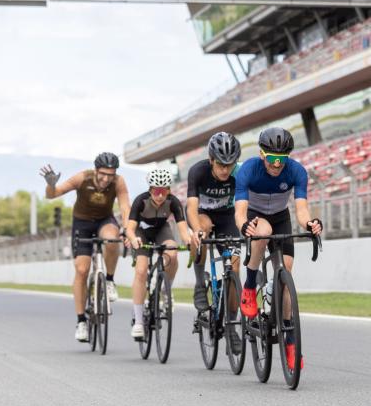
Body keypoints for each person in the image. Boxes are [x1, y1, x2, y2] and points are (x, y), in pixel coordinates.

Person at [234, 127, 323, 372]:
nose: (277, 164)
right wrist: (244, 226)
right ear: (262, 155)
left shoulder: (296, 171)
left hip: (281, 216)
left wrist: (310, 223)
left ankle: (290, 341)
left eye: (282, 159)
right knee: (262, 232)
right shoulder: (248, 170)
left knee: (286, 274)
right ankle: (250, 285)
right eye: (272, 158)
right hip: (256, 215)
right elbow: (240, 210)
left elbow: (302, 210)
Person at [40, 152, 131, 343]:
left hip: (105, 221)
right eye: (103, 174)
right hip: (82, 223)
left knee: (113, 240)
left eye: (111, 174)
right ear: (96, 170)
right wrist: (51, 184)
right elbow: (52, 195)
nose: (107, 178)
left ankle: (109, 280)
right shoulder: (82, 178)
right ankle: (81, 321)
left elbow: (125, 207)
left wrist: (126, 228)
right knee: (82, 270)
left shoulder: (118, 182)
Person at [184, 131, 243, 354]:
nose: (225, 170)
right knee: (203, 230)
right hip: (202, 214)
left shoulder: (240, 173)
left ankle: (231, 326)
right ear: (211, 160)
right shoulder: (197, 171)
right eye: (220, 164)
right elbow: (190, 207)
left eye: (230, 164)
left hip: (227, 217)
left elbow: (246, 203)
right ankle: (200, 284)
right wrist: (197, 230)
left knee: (235, 267)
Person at [123, 168, 193, 339]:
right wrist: (132, 239)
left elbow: (183, 230)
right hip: (141, 233)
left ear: (169, 190)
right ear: (150, 190)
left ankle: (165, 289)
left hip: (162, 230)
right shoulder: (141, 200)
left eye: (164, 191)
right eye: (156, 191)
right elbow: (129, 229)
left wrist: (189, 241)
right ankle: (139, 322)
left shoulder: (174, 202)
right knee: (141, 270)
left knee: (173, 253)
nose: (160, 195)